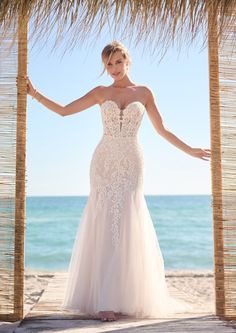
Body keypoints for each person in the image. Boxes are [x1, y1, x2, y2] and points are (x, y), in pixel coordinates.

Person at [18, 40, 211, 322]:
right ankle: (105, 299)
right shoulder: (100, 92)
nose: (113, 68)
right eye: (108, 64)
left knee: (128, 218)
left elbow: (162, 130)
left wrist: (190, 150)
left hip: (132, 160)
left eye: (118, 62)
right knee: (105, 218)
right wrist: (34, 94)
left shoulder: (144, 92)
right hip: (104, 162)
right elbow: (63, 111)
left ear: (127, 61)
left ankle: (126, 296)